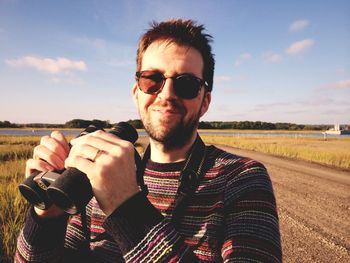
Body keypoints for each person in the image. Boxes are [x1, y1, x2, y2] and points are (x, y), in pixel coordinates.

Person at [16, 19, 282, 262]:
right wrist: (46, 217)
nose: (166, 94)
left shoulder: (241, 178)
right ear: (136, 92)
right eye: (152, 79)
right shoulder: (95, 173)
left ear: (205, 102)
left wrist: (126, 208)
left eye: (186, 83)